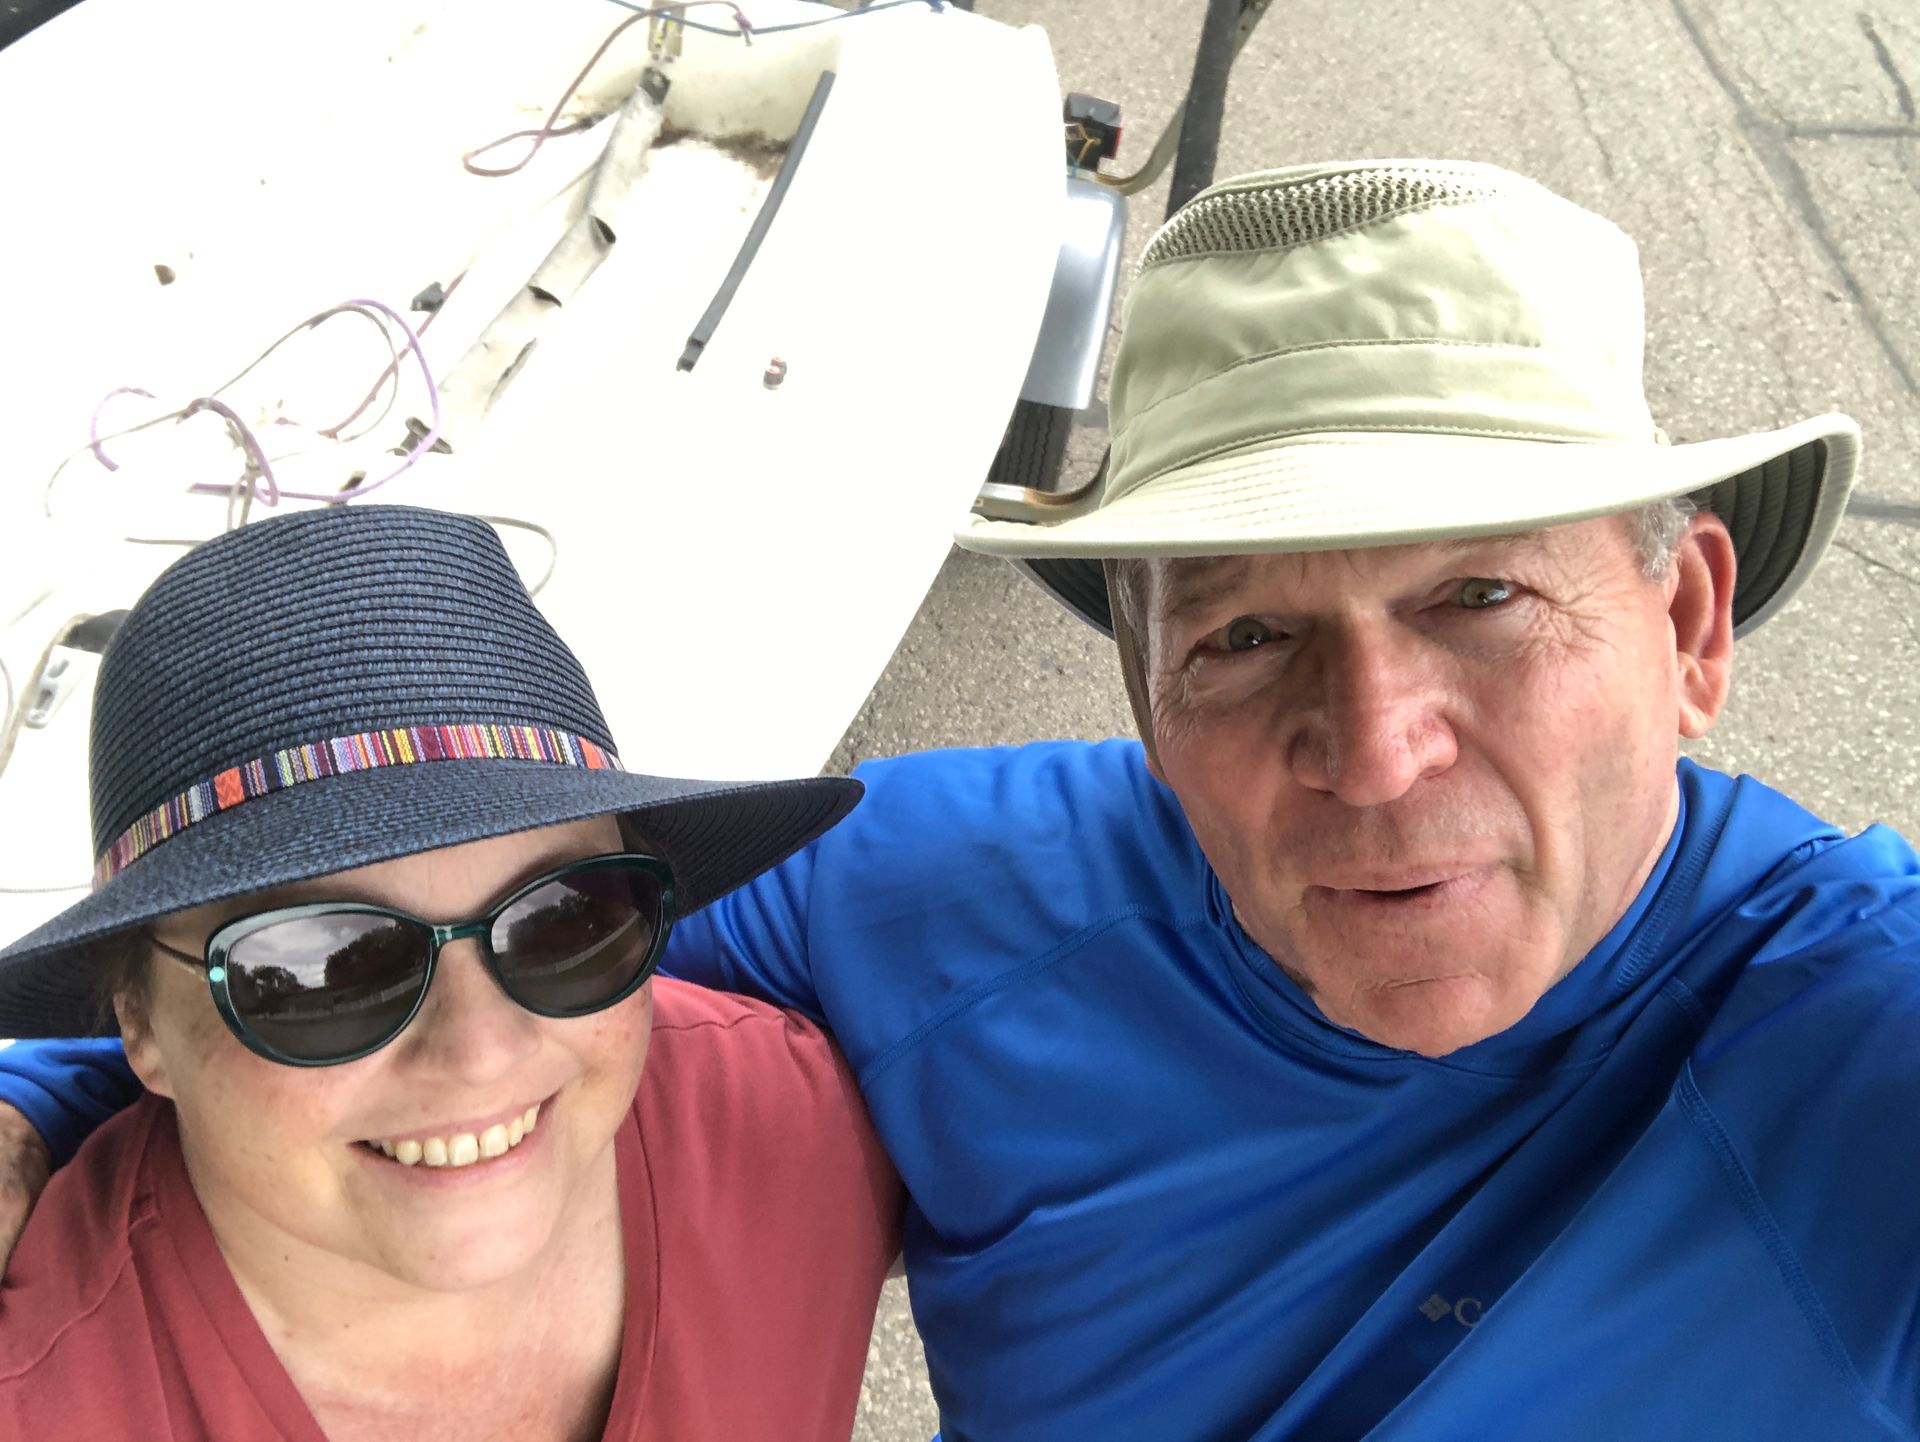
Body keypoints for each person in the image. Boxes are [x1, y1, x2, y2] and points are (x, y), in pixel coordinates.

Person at [6, 159, 1917, 1439]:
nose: (1379, 744)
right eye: (1247, 637)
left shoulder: (1859, 1029)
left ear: (1684, 618)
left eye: (1481, 597)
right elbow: (473, 962)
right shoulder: (941, 898)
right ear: (1143, 690)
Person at [0, 505, 901, 1440]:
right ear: (138, 1023)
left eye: (566, 919)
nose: (478, 1052)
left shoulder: (807, 1133)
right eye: (320, 970)